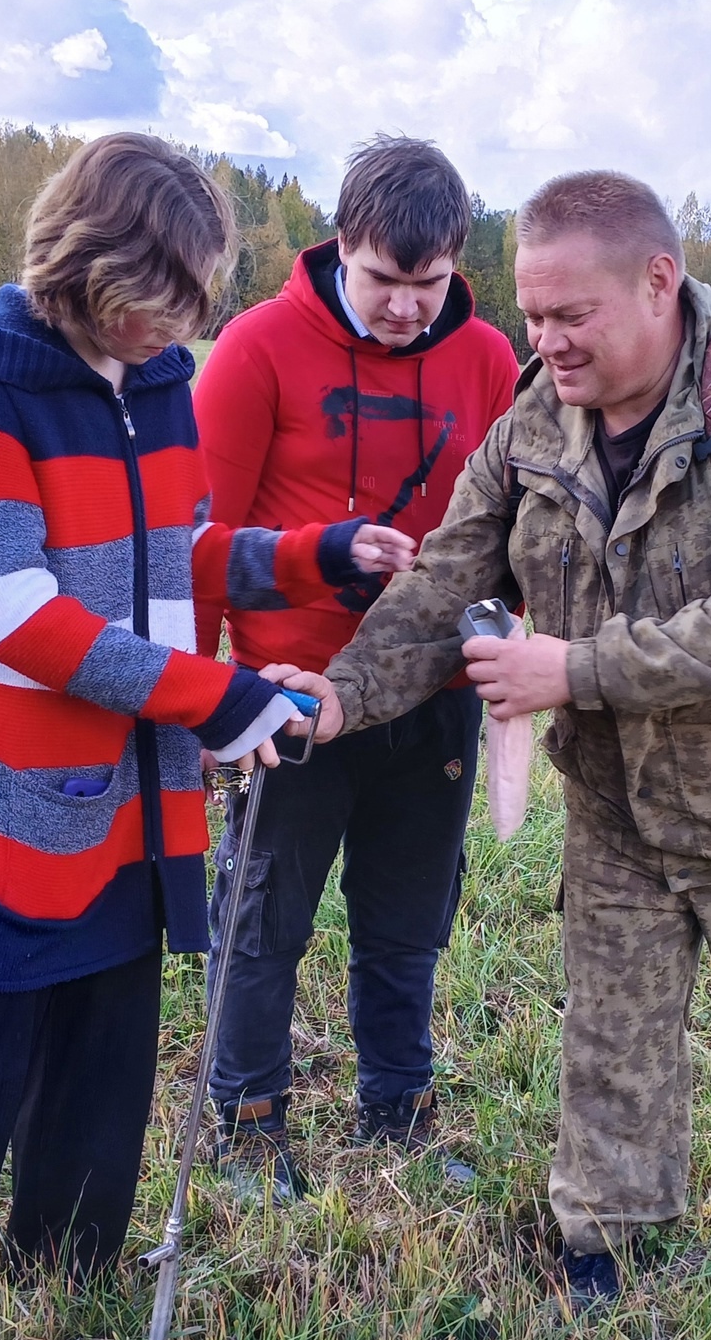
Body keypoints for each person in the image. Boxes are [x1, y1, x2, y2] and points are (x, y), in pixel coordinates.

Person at [272, 169, 711, 1305]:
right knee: (611, 1050)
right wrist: (335, 698)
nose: (547, 341)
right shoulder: (534, 416)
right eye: (532, 315)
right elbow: (443, 584)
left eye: (571, 316)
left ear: (658, 282)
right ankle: (603, 1245)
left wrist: (567, 672)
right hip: (618, 809)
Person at [0, 133, 413, 1319]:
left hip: (132, 807)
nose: (180, 324)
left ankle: (68, 1274)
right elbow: (17, 615)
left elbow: (176, 563)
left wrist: (305, 555)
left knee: (102, 1076)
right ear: (86, 260)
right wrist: (218, 698)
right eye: (159, 297)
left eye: (195, 298)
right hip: (2, 807)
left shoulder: (157, 386)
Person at [191, 135, 519, 1194]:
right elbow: (199, 540)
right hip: (288, 698)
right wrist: (204, 695)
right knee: (263, 920)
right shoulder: (254, 348)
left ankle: (398, 1113)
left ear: (456, 262)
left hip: (432, 695)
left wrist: (503, 619)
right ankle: (246, 1127)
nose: (404, 308)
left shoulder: (487, 363)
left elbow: (514, 523)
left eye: (426, 285)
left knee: (408, 917)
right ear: (342, 245)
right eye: (383, 280)